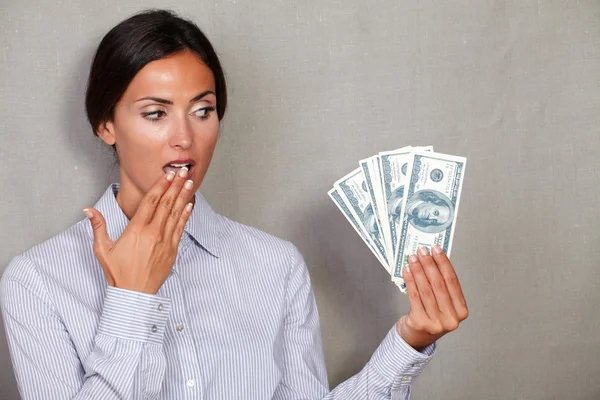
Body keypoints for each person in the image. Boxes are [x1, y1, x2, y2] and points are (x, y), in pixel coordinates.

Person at [0, 9, 468, 399]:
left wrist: (410, 342)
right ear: (106, 124)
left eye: (203, 111)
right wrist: (132, 300)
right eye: (155, 113)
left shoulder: (275, 265)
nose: (185, 139)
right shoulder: (37, 282)